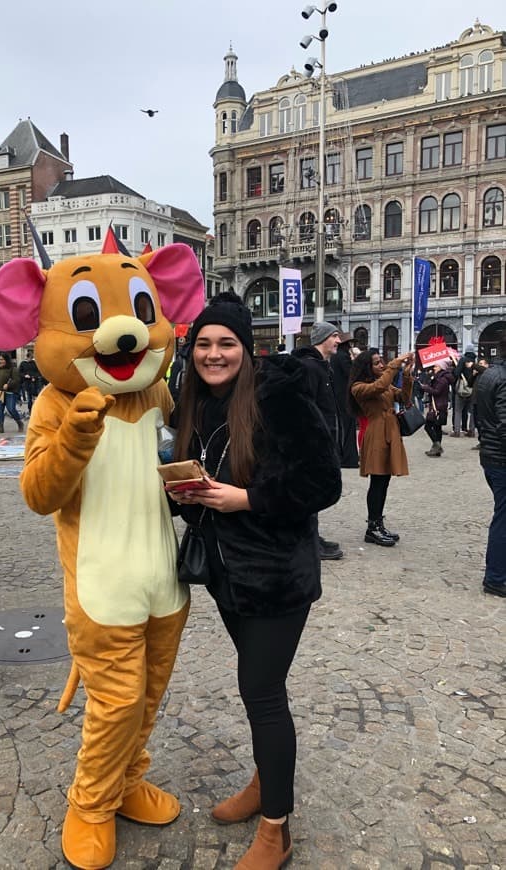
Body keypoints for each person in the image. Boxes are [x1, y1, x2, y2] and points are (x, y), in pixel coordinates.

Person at [172, 292, 341, 869]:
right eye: (204, 344)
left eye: (226, 344)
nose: (213, 355)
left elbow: (322, 482)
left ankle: (277, 830)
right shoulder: (196, 401)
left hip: (276, 578)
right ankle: (265, 783)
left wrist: (245, 499)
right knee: (259, 688)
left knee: (262, 694)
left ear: (247, 349)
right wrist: (185, 493)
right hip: (227, 575)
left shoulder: (278, 394)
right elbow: (209, 476)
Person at [348, 348, 414, 546]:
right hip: (376, 435)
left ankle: (378, 524)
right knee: (377, 482)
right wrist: (395, 364)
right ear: (366, 366)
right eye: (377, 363)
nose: (382, 365)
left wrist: (408, 375)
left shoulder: (384, 384)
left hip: (390, 434)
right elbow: (380, 386)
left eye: (382, 361)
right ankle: (372, 528)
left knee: (383, 482)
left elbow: (403, 397)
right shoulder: (359, 387)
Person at [292, 321, 344, 560]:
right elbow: (305, 408)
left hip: (322, 439)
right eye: (335, 336)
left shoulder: (322, 366)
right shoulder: (310, 367)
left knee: (313, 492)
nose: (339, 341)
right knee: (309, 492)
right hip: (311, 443)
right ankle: (309, 541)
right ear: (323, 338)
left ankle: (312, 537)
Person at [474, 332, 506, 597]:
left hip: (491, 454)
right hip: (501, 457)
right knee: (504, 517)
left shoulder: (489, 375)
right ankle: (496, 577)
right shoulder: (503, 379)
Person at [330, 333, 360, 468]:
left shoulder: (336, 356)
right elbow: (351, 375)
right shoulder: (343, 357)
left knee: (343, 428)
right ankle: (349, 458)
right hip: (345, 397)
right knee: (348, 428)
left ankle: (344, 456)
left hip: (338, 396)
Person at [421, 359, 455, 457]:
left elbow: (436, 392)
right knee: (437, 428)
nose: (434, 368)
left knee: (428, 426)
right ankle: (436, 450)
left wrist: (425, 388)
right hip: (439, 405)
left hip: (438, 406)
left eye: (436, 366)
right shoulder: (439, 377)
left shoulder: (442, 379)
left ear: (441, 367)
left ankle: (437, 445)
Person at [0, 352, 24, 433]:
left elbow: (16, 380)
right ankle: (0, 427)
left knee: (11, 409)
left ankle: (19, 422)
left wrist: (8, 385)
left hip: (10, 392)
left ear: (6, 360)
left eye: (2, 359)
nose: (0, 361)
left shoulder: (13, 369)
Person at [452, 349, 478, 437]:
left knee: (458, 410)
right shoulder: (475, 361)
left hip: (461, 389)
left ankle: (457, 431)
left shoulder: (462, 360)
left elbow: (456, 373)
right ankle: (471, 430)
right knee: (472, 411)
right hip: (472, 389)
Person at [18, 349, 41, 414]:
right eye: (31, 357)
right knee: (29, 397)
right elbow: (20, 373)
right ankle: (30, 410)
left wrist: (34, 377)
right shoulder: (23, 363)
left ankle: (36, 410)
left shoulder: (35, 363)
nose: (31, 359)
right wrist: (25, 375)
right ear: (28, 357)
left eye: (32, 357)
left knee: (36, 396)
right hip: (27, 383)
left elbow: (38, 372)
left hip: (35, 382)